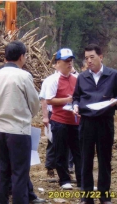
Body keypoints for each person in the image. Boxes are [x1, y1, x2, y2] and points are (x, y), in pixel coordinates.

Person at [0, 41, 45, 204]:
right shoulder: (23, 76)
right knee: (19, 173)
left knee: (1, 171)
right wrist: (26, 115)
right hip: (19, 131)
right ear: (22, 56)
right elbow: (34, 103)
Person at [73, 44, 117, 204]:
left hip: (105, 121)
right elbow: (76, 96)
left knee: (105, 159)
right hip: (87, 122)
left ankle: (104, 195)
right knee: (86, 159)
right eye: (86, 58)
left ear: (101, 57)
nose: (88, 61)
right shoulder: (82, 77)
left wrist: (116, 101)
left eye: (92, 57)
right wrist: (75, 105)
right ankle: (86, 196)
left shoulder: (113, 75)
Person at [46, 48, 82, 190]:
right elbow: (49, 100)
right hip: (60, 120)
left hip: (75, 120)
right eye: (66, 61)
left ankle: (81, 179)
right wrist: (67, 100)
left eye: (71, 61)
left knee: (78, 151)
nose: (69, 63)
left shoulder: (76, 79)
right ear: (58, 63)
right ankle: (64, 179)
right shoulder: (53, 80)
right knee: (61, 151)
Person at [39, 64, 59, 180]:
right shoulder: (49, 80)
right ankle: (50, 168)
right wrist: (45, 116)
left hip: (69, 114)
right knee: (53, 141)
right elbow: (43, 99)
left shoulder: (74, 78)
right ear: (55, 65)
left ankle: (66, 169)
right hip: (54, 114)